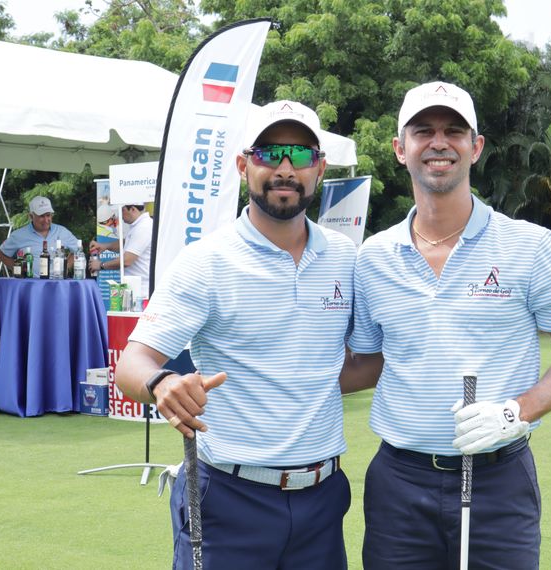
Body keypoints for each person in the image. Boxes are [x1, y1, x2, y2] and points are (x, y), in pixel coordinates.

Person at [341, 81, 551, 569]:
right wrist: (257, 384)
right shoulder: (372, 257)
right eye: (423, 131)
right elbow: (368, 363)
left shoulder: (530, 246)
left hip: (498, 481)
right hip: (399, 482)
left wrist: (516, 411)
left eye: (454, 131)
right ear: (401, 149)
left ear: (475, 147)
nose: (439, 142)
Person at [114, 101, 357, 570]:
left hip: (324, 499)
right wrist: (163, 383)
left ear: (320, 168)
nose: (285, 169)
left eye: (301, 155)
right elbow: (131, 365)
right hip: (228, 496)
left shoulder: (345, 257)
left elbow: (354, 362)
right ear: (244, 164)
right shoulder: (206, 261)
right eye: (270, 153)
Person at [0, 195, 79, 275]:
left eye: (48, 215)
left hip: (57, 284)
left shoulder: (62, 231)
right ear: (31, 216)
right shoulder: (19, 235)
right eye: (42, 216)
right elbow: (1, 254)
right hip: (31, 285)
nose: (46, 220)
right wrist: (18, 270)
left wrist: (66, 267)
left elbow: (78, 250)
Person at [89, 203, 153, 295]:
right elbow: (126, 242)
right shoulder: (139, 226)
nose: (120, 215)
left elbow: (127, 260)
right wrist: (105, 246)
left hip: (141, 293)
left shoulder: (143, 227)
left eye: (122, 210)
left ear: (133, 209)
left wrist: (101, 265)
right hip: (136, 289)